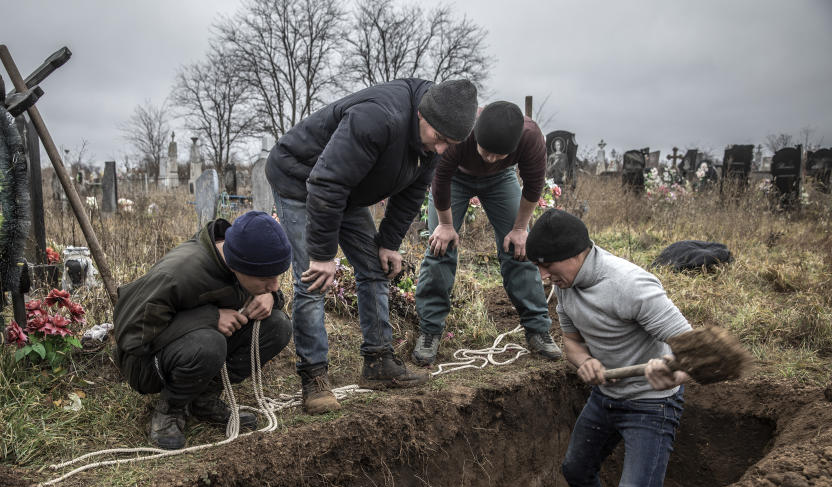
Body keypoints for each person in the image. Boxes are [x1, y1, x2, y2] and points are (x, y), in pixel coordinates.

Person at [265, 78, 478, 414]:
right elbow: (326, 183)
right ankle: (314, 378)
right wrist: (322, 256)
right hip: (300, 178)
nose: (440, 150)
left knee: (375, 266)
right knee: (313, 279)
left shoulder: (434, 139)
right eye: (439, 139)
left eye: (448, 145)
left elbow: (412, 193)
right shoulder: (377, 119)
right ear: (423, 115)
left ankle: (378, 363)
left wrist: (389, 244)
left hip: (346, 188)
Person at [525, 209, 692, 487]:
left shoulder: (631, 286)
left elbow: (692, 351)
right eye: (538, 266)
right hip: (607, 397)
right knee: (576, 469)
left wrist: (674, 375)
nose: (543, 275)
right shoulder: (565, 285)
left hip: (652, 404)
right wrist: (583, 360)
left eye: (548, 265)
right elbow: (571, 341)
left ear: (576, 254)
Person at [114, 211, 293, 449]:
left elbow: (268, 291)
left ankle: (203, 399)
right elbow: (130, 336)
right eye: (267, 279)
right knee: (209, 343)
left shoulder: (244, 259)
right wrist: (210, 318)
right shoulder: (178, 272)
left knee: (278, 326)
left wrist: (270, 296)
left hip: (195, 344)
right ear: (239, 265)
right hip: (144, 363)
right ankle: (170, 411)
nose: (275, 284)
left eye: (278, 276)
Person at [412, 101, 562, 365]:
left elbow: (533, 187)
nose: (490, 159)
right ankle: (430, 332)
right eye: (486, 151)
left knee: (520, 248)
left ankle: (538, 330)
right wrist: (446, 226)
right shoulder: (460, 131)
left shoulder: (530, 137)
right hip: (455, 179)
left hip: (501, 180)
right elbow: (441, 178)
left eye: (498, 154)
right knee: (440, 247)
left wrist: (518, 229)